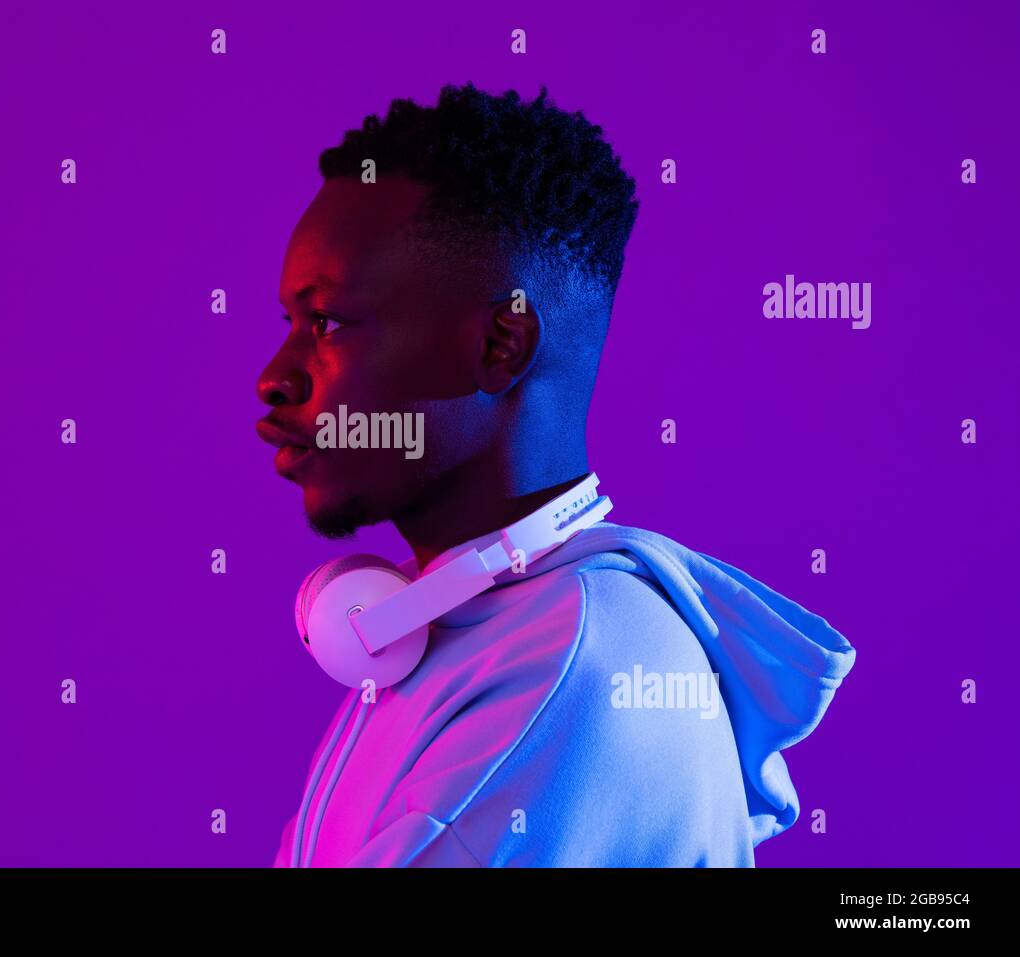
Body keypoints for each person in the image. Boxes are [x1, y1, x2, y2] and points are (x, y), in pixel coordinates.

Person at [256, 82, 856, 867]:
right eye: (290, 325)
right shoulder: (467, 626)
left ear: (500, 345)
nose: (275, 376)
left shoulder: (570, 667)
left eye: (328, 322)